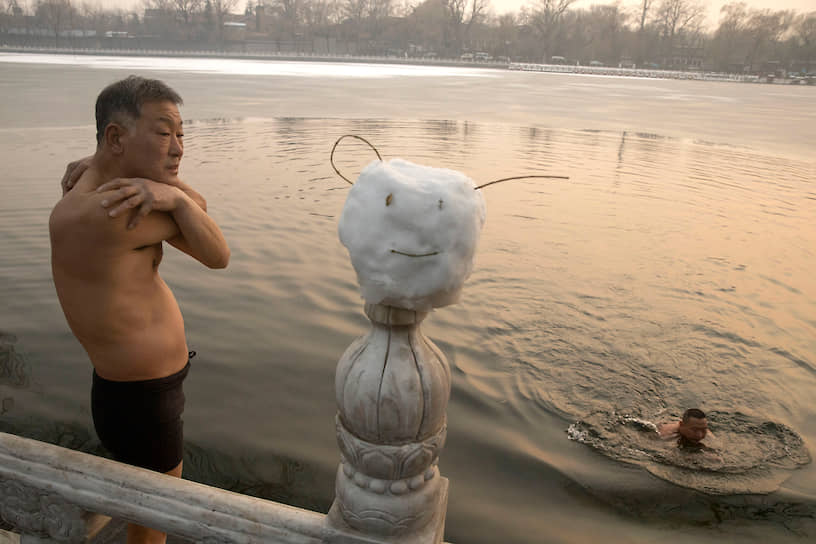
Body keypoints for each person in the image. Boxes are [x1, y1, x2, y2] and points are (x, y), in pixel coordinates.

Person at [50, 75, 230, 544]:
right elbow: (215, 251)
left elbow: (195, 211)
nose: (178, 148)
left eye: (181, 134)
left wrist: (163, 191)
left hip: (134, 392)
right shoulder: (114, 211)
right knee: (156, 520)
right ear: (116, 137)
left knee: (143, 504)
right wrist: (173, 197)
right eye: (164, 131)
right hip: (143, 399)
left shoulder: (93, 184)